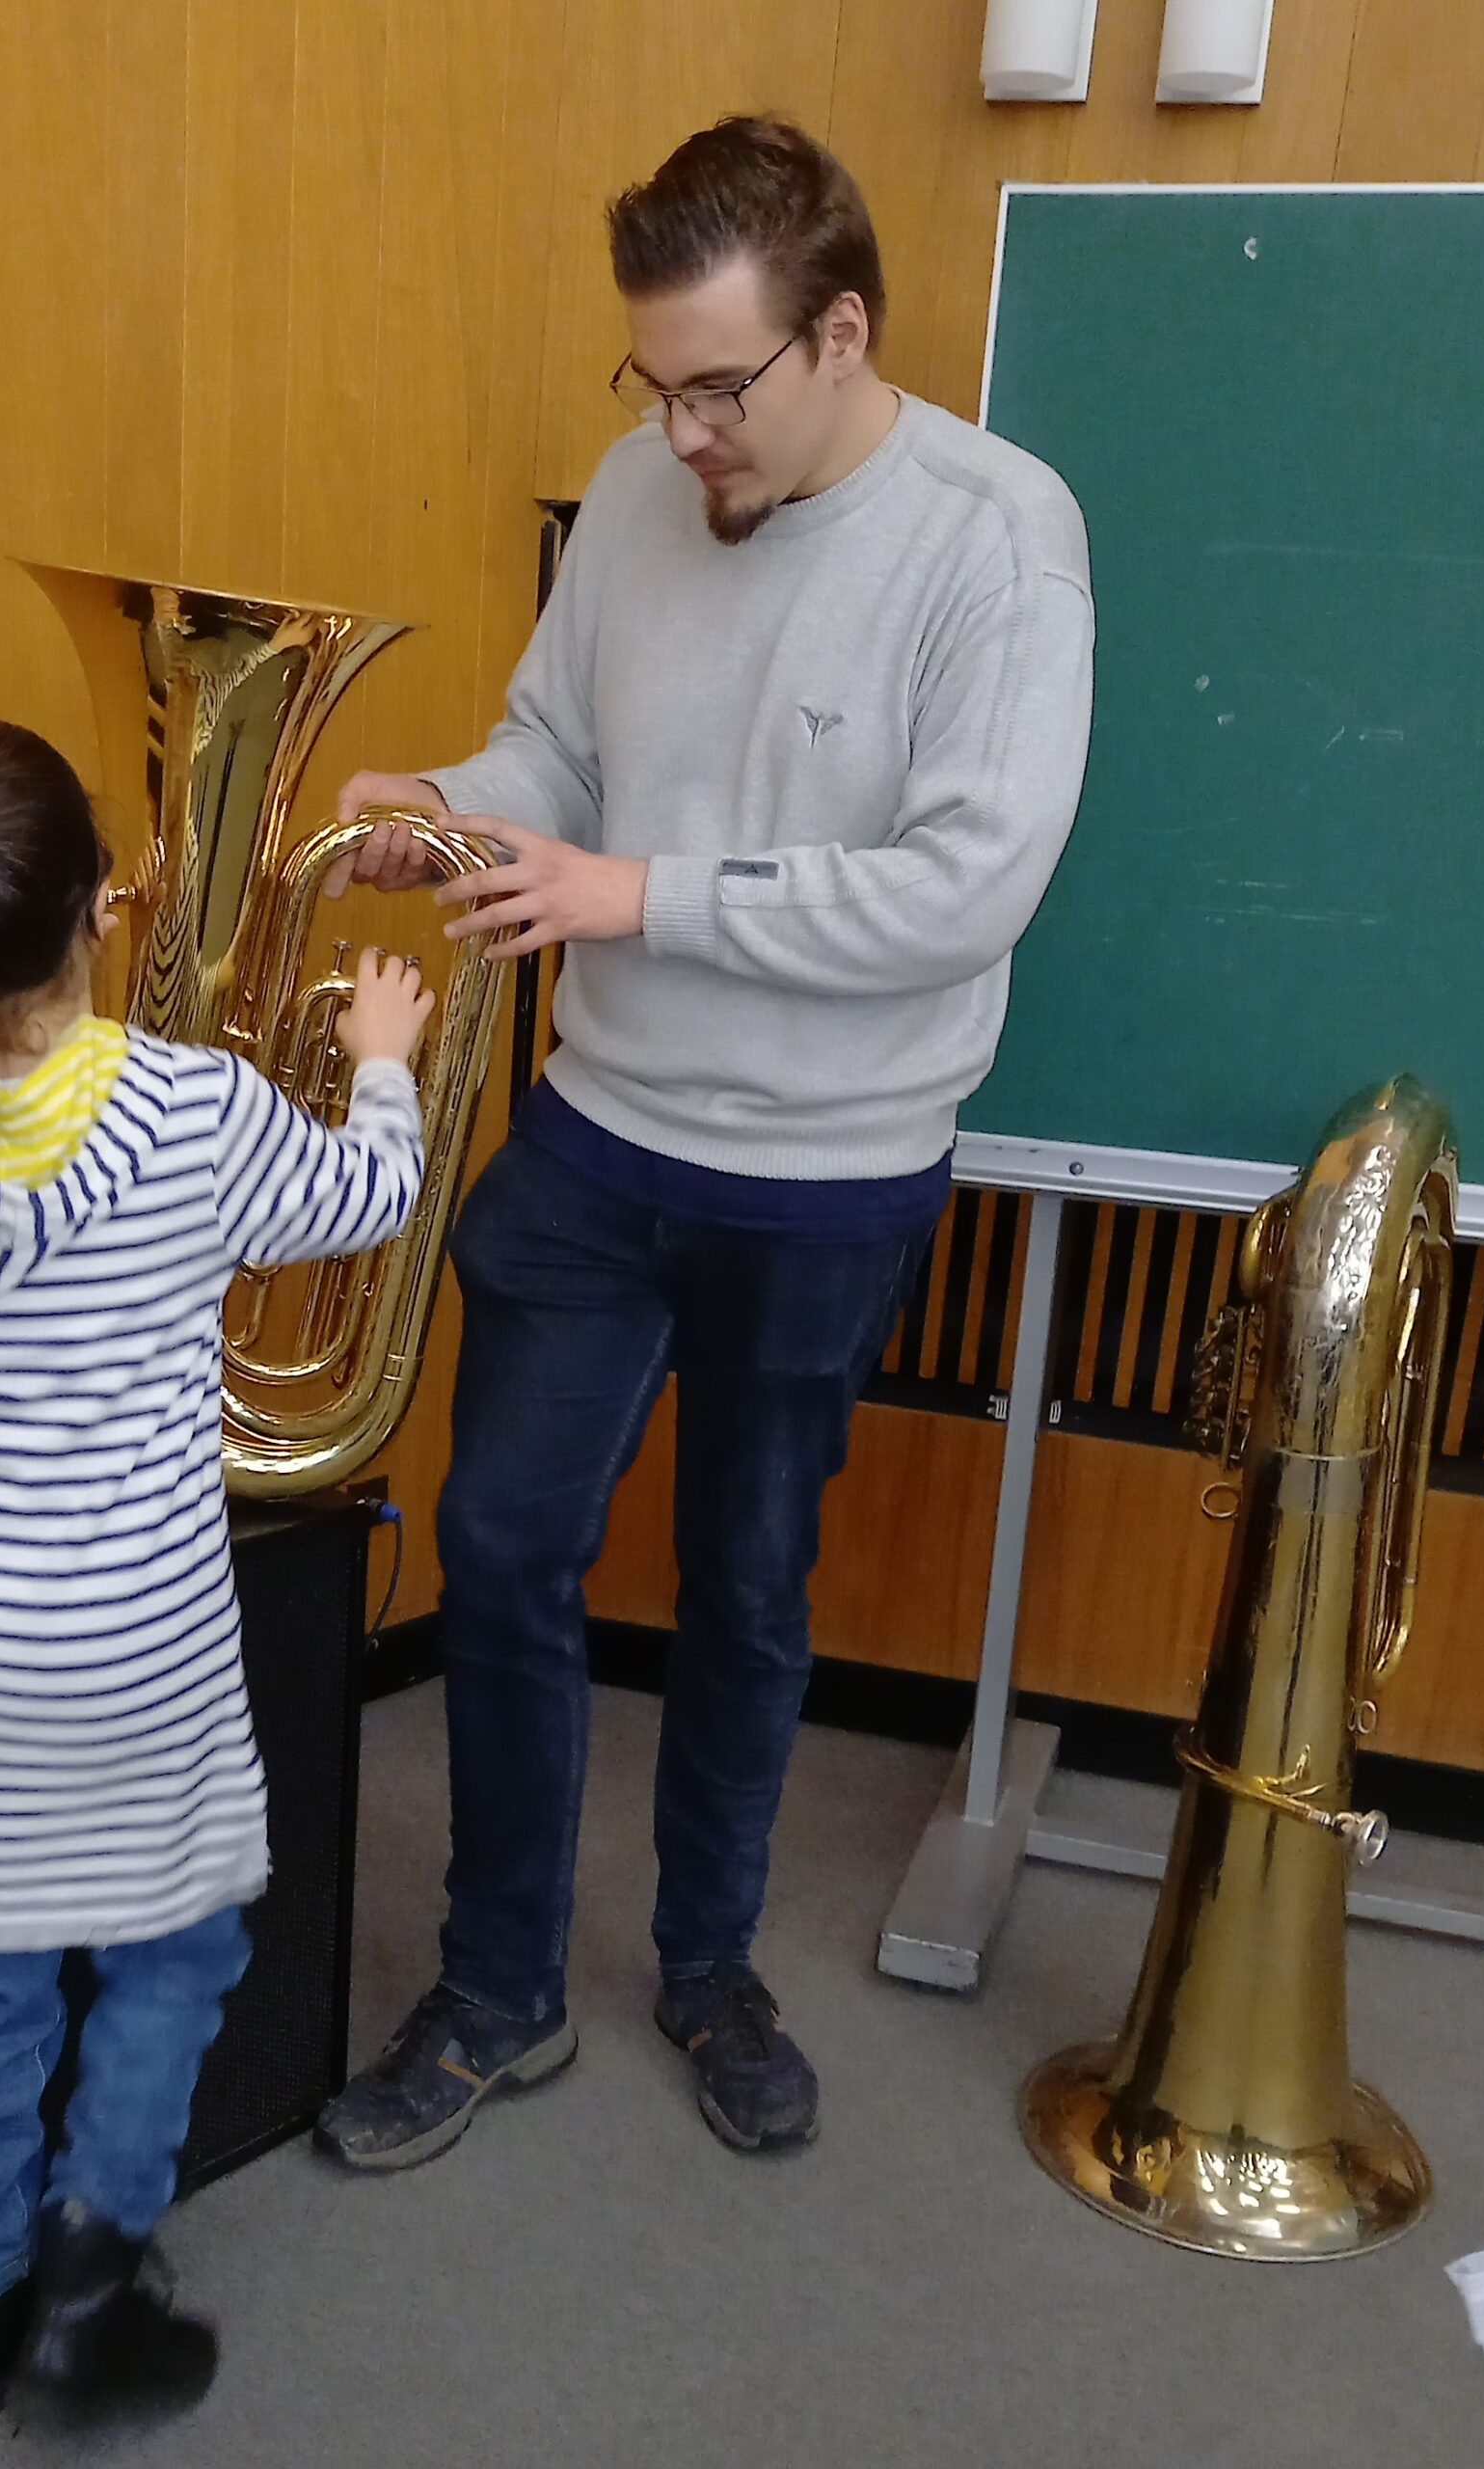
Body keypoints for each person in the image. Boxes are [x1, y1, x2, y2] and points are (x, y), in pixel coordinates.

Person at [313, 116, 1094, 2170]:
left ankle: (708, 1966)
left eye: (716, 388)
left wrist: (627, 891)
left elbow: (965, 889)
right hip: (600, 1132)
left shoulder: (1001, 534)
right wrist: (453, 811)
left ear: (842, 335)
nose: (676, 435)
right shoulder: (658, 505)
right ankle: (495, 1992)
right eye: (648, 386)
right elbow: (559, 750)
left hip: (833, 1170)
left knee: (748, 1584)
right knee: (498, 1545)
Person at [0, 718, 430, 2423]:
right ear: (108, 905)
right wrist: (381, 1052)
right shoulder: (195, 1107)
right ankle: (101, 2243)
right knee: (172, 1953)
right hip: (134, 1641)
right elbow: (367, 1195)